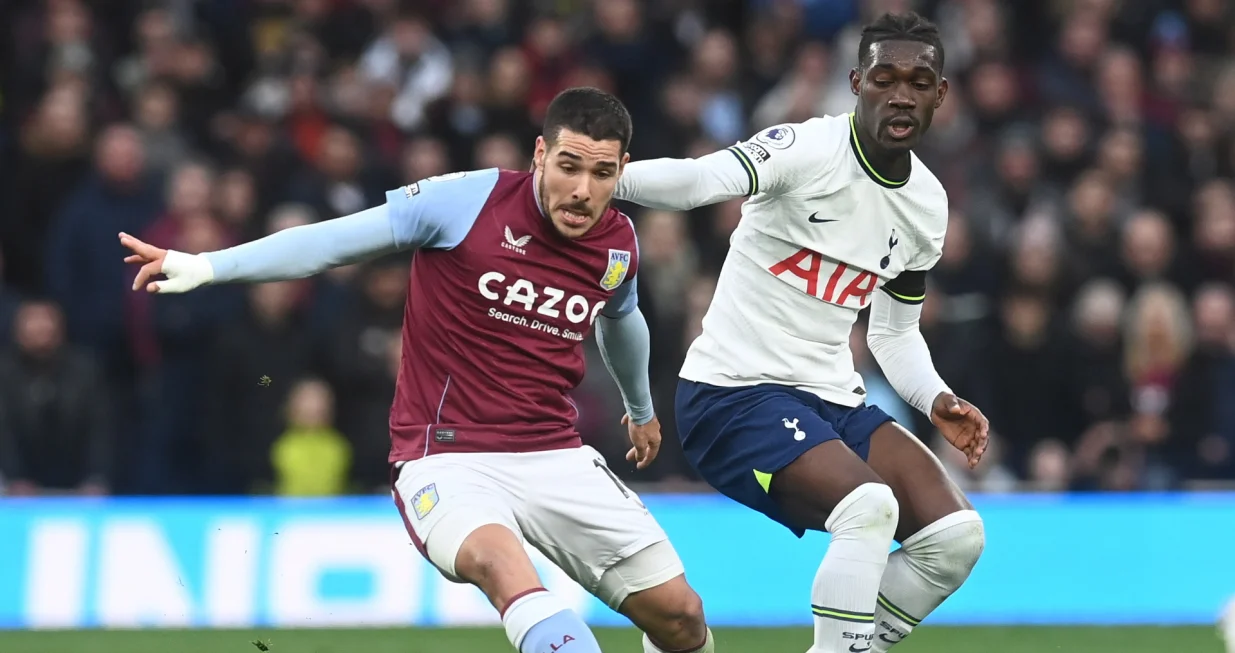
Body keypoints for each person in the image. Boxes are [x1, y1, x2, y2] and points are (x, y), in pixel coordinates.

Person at [119, 88, 714, 653]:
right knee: (506, 570)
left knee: (682, 617)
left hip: (554, 452)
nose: (583, 190)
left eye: (603, 174)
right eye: (568, 166)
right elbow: (331, 242)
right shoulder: (464, 202)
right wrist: (210, 265)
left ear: (623, 169)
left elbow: (622, 316)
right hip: (448, 457)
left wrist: (640, 410)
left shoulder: (617, 243)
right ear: (539, 154)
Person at [612, 13, 987, 653]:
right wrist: (601, 180)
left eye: (919, 82)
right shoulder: (806, 148)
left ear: (941, 95)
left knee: (955, 541)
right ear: (855, 83)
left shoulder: (926, 204)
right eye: (885, 79)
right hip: (730, 395)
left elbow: (893, 335)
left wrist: (935, 398)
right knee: (868, 508)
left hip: (832, 399)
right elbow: (704, 180)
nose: (901, 95)